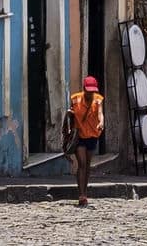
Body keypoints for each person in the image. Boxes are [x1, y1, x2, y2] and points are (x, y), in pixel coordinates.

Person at [62, 74, 104, 208]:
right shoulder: (75, 99)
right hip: (79, 135)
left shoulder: (98, 100)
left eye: (92, 91)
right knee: (82, 163)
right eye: (88, 91)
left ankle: (85, 192)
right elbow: (70, 115)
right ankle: (81, 195)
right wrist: (69, 115)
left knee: (87, 165)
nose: (90, 94)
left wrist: (101, 123)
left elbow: (100, 114)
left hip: (92, 135)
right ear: (84, 89)